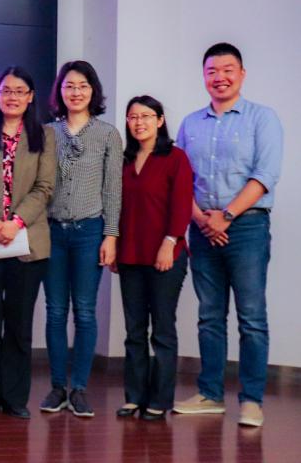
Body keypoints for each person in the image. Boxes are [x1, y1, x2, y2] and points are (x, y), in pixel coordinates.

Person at [173, 43, 283, 428]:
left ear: (242, 74)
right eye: (212, 71)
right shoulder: (190, 124)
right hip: (202, 227)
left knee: (251, 317)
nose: (219, 77)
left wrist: (227, 216)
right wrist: (203, 219)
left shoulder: (262, 118)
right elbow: (180, 179)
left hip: (248, 227)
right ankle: (210, 394)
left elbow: (265, 175)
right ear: (204, 76)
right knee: (209, 315)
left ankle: (251, 400)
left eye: (227, 69)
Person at [0, 66, 56, 419]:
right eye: (6, 90)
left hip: (28, 243)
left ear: (31, 97)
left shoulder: (44, 135)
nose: (12, 97)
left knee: (19, 324)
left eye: (20, 91)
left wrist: (15, 223)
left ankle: (16, 397)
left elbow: (45, 187)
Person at [40, 60, 122, 417]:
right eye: (69, 85)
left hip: (90, 231)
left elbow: (113, 189)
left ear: (93, 91)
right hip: (52, 232)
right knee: (55, 311)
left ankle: (81, 389)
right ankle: (58, 386)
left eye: (83, 86)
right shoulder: (46, 133)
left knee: (85, 311)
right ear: (60, 91)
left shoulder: (107, 134)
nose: (76, 92)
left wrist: (111, 235)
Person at [116, 95, 193, 421]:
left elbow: (182, 204)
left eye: (146, 116)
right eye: (133, 117)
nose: (139, 123)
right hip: (130, 255)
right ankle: (134, 397)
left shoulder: (175, 158)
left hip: (166, 255)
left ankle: (159, 400)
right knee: (134, 331)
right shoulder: (123, 160)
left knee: (162, 330)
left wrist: (169, 242)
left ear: (160, 120)